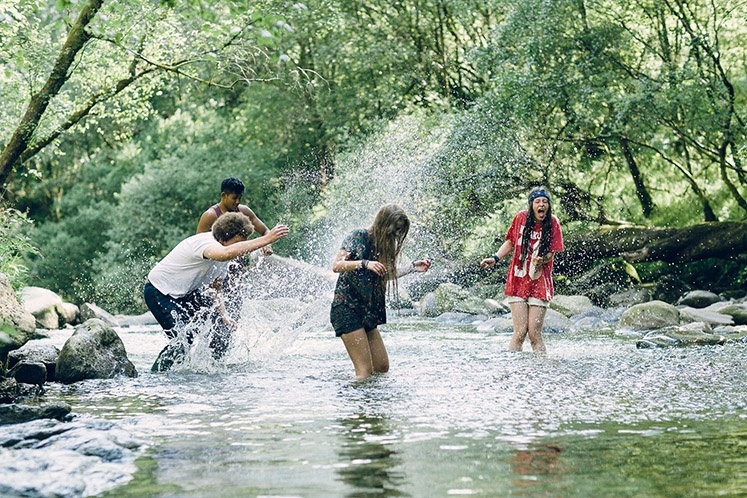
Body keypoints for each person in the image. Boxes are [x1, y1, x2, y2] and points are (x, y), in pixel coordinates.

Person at [145, 212, 289, 371]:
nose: (240, 248)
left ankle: (211, 366)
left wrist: (224, 315)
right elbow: (224, 253)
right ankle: (156, 376)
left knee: (219, 324)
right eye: (239, 242)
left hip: (185, 293)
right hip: (159, 291)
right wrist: (266, 239)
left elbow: (215, 288)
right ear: (227, 236)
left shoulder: (225, 256)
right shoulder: (206, 243)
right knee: (182, 339)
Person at [330, 204, 432, 379]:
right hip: (347, 308)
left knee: (382, 367)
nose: (396, 235)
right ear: (383, 224)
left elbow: (384, 274)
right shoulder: (358, 236)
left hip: (367, 310)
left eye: (400, 231)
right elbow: (336, 266)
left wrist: (412, 268)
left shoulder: (382, 247)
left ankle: (373, 403)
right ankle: (357, 405)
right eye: (395, 230)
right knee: (365, 372)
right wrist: (364, 263)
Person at [480, 186, 564, 353]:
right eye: (538, 201)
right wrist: (495, 258)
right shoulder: (520, 218)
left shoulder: (553, 222)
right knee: (519, 333)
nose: (542, 204)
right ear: (531, 205)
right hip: (518, 280)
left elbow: (552, 253)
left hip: (539, 282)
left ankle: (540, 370)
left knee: (534, 334)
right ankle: (515, 370)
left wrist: (542, 260)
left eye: (545, 201)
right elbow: (511, 242)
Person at [196, 177, 274, 256]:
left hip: (239, 262)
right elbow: (198, 245)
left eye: (240, 197)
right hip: (218, 260)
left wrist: (266, 244)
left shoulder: (244, 211)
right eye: (234, 198)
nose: (238, 201)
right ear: (224, 195)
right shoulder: (210, 215)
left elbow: (265, 231)